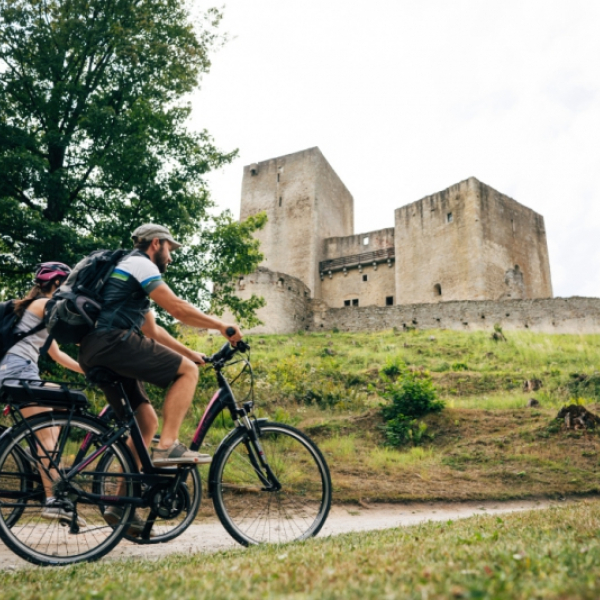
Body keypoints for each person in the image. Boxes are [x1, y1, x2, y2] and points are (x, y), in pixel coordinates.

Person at [78, 224, 242, 469]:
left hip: (93, 350)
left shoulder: (126, 276)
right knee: (187, 372)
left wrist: (189, 353)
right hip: (112, 342)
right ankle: (168, 447)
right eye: (170, 248)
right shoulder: (141, 264)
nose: (171, 256)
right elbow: (177, 308)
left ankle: (121, 504)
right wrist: (221, 326)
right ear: (156, 243)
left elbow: (153, 331)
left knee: (146, 425)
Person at [0, 262, 85, 524]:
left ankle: (41, 461)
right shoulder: (46, 306)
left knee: (60, 407)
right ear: (58, 284)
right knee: (46, 432)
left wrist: (87, 371)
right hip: (20, 370)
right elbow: (76, 332)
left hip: (13, 370)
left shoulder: (31, 309)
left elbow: (56, 354)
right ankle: (53, 499)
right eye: (68, 283)